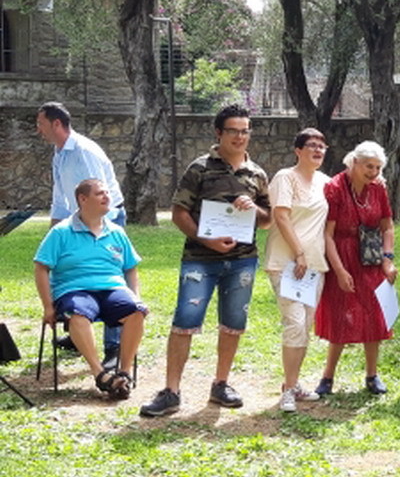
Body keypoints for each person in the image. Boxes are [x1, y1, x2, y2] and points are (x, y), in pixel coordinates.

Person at [139, 104, 271, 417]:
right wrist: (205, 239)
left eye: (245, 131)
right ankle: (171, 391)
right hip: (199, 260)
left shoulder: (257, 174)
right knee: (185, 322)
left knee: (233, 324)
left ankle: (221, 384)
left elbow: (267, 220)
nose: (240, 137)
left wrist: (253, 208)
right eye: (233, 131)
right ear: (218, 133)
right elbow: (179, 213)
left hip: (242, 261)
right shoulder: (199, 168)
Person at [33, 179, 146, 399]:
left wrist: (136, 296)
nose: (106, 197)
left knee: (136, 311)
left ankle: (124, 373)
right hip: (74, 290)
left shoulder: (116, 232)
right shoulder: (61, 232)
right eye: (99, 193)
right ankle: (100, 374)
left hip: (112, 289)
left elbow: (130, 268)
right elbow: (41, 268)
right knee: (78, 313)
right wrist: (47, 306)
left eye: (107, 193)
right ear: (83, 199)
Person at [36, 101, 126, 366]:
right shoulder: (59, 153)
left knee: (109, 277)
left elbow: (101, 196)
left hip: (105, 220)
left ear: (56, 124)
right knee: (71, 271)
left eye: (41, 123)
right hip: (77, 222)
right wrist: (55, 229)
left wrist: (96, 229)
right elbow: (60, 197)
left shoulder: (84, 151)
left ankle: (114, 347)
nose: (38, 129)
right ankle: (78, 335)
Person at [315, 141, 397, 396]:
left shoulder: (378, 188)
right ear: (355, 162)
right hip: (342, 255)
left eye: (378, 167)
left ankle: (372, 375)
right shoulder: (335, 187)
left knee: (374, 314)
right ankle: (328, 376)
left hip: (370, 256)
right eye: (368, 166)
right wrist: (339, 271)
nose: (373, 172)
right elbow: (328, 235)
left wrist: (388, 259)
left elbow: (387, 226)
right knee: (341, 314)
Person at [264, 128, 331, 412]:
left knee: (304, 326)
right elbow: (281, 216)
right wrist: (299, 253)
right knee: (294, 323)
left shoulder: (325, 182)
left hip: (314, 266)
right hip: (287, 263)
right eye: (311, 145)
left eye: (322, 146)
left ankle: (292, 384)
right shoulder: (285, 177)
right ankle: (289, 391)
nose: (317, 150)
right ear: (298, 151)